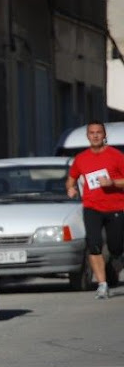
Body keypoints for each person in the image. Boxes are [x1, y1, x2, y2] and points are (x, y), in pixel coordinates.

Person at [66, 120, 124, 299]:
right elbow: (71, 179)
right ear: (88, 136)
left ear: (104, 135)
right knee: (94, 244)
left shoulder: (116, 156)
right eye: (92, 133)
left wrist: (112, 182)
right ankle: (102, 284)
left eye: (99, 132)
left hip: (116, 206)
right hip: (91, 207)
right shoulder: (81, 158)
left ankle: (114, 262)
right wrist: (71, 188)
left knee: (116, 247)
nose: (95, 136)